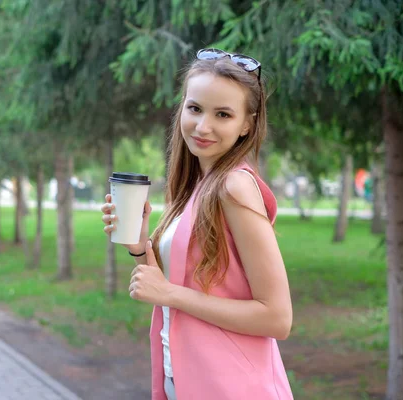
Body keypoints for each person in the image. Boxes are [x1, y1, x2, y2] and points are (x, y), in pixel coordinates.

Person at [101, 48, 294, 400]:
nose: (203, 126)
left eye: (223, 114)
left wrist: (171, 294)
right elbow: (178, 283)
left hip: (233, 388)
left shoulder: (234, 186)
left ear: (246, 124)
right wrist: (139, 245)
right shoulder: (195, 187)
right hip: (185, 380)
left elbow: (277, 317)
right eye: (195, 109)